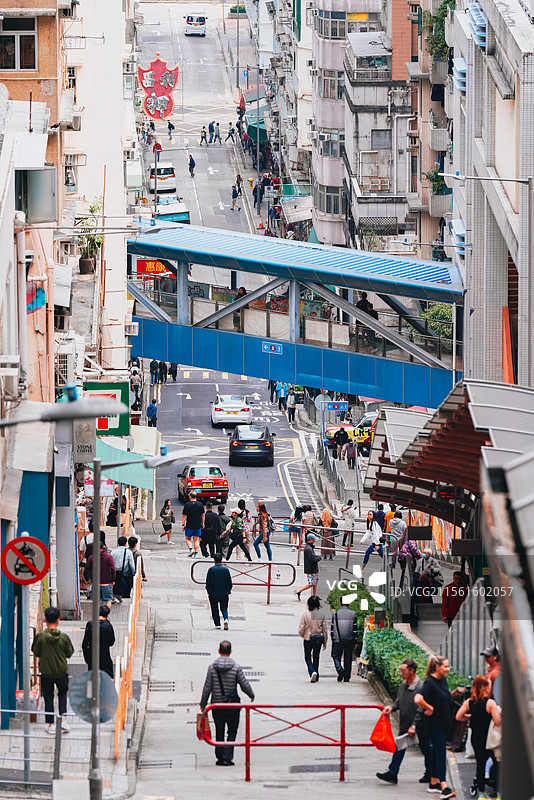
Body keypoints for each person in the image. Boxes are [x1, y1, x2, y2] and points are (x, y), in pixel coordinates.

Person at [376, 658, 432, 785]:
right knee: (400, 747)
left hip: (420, 725)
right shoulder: (403, 684)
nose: (401, 673)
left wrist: (414, 726)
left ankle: (431, 773)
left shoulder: (420, 687)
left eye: (403, 671)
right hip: (405, 723)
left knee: (426, 749)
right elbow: (399, 700)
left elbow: (421, 709)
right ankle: (393, 772)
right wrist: (392, 707)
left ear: (412, 671)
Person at [200, 640, 255, 766]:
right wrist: (251, 695)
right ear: (230, 651)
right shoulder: (236, 668)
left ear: (219, 651)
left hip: (217, 705)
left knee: (219, 730)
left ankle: (220, 756)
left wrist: (203, 704)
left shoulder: (212, 668)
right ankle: (227, 756)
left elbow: (207, 687)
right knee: (232, 731)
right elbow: (244, 684)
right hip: (232, 705)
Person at [414, 656, 455, 799]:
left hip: (443, 724)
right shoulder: (430, 683)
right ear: (437, 667)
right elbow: (418, 698)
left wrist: (453, 694)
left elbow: (441, 698)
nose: (448, 669)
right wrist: (429, 707)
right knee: (440, 754)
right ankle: (444, 786)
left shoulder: (442, 680)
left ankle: (433, 784)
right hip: (434, 725)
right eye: (446, 666)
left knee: (436, 753)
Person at [456, 674, 501, 798]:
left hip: (476, 738)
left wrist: (470, 717)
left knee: (480, 764)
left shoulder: (469, 702)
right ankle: (499, 793)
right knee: (497, 764)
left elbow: (458, 716)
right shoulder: (490, 703)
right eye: (489, 685)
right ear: (484, 687)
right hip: (490, 739)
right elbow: (498, 721)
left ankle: (481, 794)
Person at [32, 606, 74, 735]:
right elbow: (69, 653)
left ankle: (50, 724)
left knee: (48, 698)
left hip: (46, 672)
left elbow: (36, 651)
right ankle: (63, 720)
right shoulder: (64, 638)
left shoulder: (40, 638)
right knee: (62, 695)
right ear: (58, 620)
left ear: (45, 620)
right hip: (61, 672)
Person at [298, 595, 328, 682]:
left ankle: (312, 672)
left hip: (308, 638)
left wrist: (303, 635)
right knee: (316, 657)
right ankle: (316, 674)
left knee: (307, 657)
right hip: (318, 638)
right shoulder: (321, 615)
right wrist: (325, 640)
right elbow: (324, 629)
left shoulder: (305, 615)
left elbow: (301, 628)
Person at [82, 605, 115, 679]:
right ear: (107, 615)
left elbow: (85, 643)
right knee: (108, 677)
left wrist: (86, 657)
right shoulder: (108, 626)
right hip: (104, 655)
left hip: (92, 655)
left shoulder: (90, 624)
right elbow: (111, 642)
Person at [84, 541, 116, 609]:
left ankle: (98, 614)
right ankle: (106, 614)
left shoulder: (92, 557)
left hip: (96, 584)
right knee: (108, 600)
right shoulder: (109, 557)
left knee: (96, 601)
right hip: (107, 584)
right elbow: (113, 569)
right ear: (103, 547)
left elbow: (86, 569)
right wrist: (113, 580)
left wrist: (87, 579)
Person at [206, 553, 233, 630]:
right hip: (224, 592)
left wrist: (209, 591)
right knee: (224, 607)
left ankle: (217, 624)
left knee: (214, 608)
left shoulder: (211, 570)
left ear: (214, 560)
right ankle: (226, 619)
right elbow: (229, 582)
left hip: (213, 592)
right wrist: (228, 590)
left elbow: (208, 582)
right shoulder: (226, 570)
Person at [330, 605, 357, 682]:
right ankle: (346, 677)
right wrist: (355, 641)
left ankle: (340, 670)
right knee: (348, 658)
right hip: (349, 639)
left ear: (340, 603)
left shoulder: (336, 614)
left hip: (337, 639)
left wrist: (333, 638)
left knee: (335, 656)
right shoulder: (353, 614)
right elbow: (355, 629)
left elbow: (332, 628)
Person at [295, 532, 321, 599]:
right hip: (311, 569)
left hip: (312, 568)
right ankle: (298, 591)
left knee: (315, 582)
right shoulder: (309, 549)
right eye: (314, 539)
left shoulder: (308, 547)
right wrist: (319, 558)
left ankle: (314, 595)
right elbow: (312, 559)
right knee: (311, 583)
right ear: (311, 539)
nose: (314, 541)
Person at [110, 536, 136, 603]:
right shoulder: (128, 552)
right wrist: (133, 573)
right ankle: (122, 598)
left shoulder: (113, 552)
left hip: (115, 573)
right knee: (125, 588)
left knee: (116, 586)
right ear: (125, 543)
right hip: (125, 573)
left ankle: (115, 596)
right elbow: (131, 564)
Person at [182, 491, 205, 557]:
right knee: (196, 540)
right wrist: (203, 523)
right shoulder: (200, 504)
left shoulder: (187, 505)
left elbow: (184, 516)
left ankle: (191, 549)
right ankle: (196, 553)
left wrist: (183, 524)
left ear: (190, 496)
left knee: (188, 538)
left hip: (189, 525)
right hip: (198, 525)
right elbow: (203, 515)